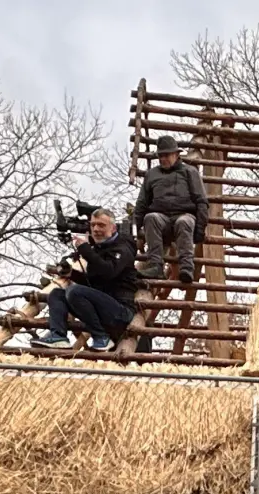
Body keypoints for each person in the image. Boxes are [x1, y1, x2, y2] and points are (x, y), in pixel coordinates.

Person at [30, 208, 139, 352]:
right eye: (93, 225)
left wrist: (85, 250)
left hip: (120, 312)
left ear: (113, 228)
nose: (95, 229)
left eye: (101, 225)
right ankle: (58, 336)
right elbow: (94, 283)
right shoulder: (98, 249)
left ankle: (101, 337)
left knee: (74, 291)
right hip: (101, 306)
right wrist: (71, 274)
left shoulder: (123, 248)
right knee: (57, 294)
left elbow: (109, 272)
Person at [132, 135, 207, 284]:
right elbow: (141, 204)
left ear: (176, 154)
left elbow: (201, 201)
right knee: (150, 217)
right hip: (162, 219)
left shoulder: (189, 172)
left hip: (184, 215)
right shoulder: (152, 174)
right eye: (160, 156)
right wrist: (135, 231)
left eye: (166, 155)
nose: (163, 159)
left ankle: (186, 268)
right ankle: (155, 266)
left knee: (184, 222)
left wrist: (200, 229)